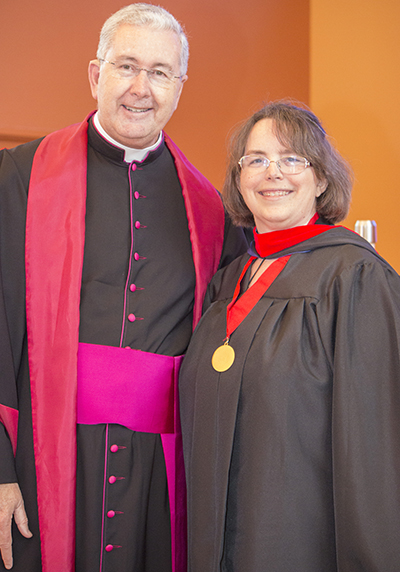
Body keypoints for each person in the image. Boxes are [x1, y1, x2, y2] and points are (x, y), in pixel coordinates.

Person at [0, 4, 247, 572]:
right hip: (44, 456)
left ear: (180, 87)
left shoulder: (209, 210)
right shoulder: (23, 175)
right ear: (96, 74)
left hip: (160, 474)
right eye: (127, 66)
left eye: (161, 72)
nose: (142, 87)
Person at [179, 101, 400, 571]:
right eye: (256, 159)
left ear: (321, 179)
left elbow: (375, 444)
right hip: (217, 538)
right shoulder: (229, 279)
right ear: (240, 179)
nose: (271, 172)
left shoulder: (355, 276)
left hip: (304, 540)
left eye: (291, 158)